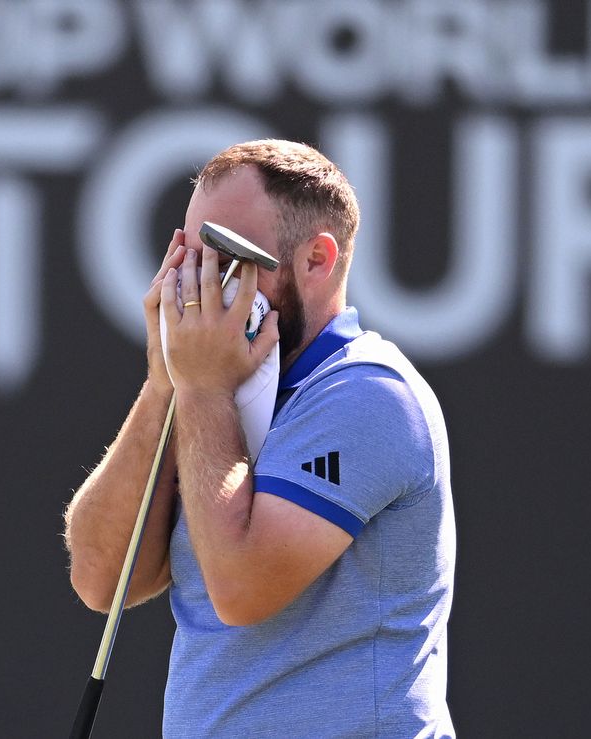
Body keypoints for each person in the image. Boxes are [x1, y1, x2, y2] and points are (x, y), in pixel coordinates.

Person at [63, 139, 456, 738]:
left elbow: (241, 590)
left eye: (229, 257)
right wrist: (165, 382)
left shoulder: (370, 394)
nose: (201, 287)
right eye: (190, 258)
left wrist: (200, 387)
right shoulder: (214, 386)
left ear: (317, 261)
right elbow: (101, 579)